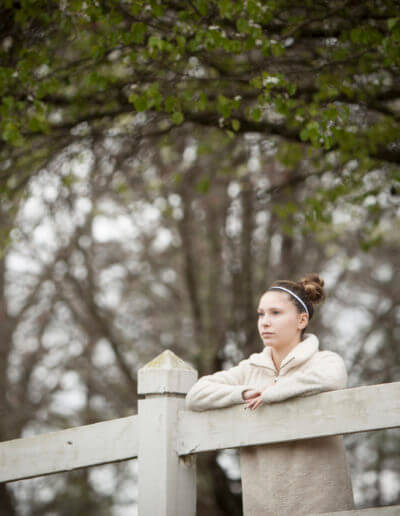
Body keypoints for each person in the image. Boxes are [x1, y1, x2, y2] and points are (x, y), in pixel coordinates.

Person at [185, 273, 355, 516]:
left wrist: (273, 393)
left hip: (320, 501)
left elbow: (333, 377)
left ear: (301, 320)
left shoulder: (323, 361)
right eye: (261, 314)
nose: (264, 321)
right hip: (263, 504)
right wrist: (241, 393)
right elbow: (195, 394)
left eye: (275, 313)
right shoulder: (249, 370)